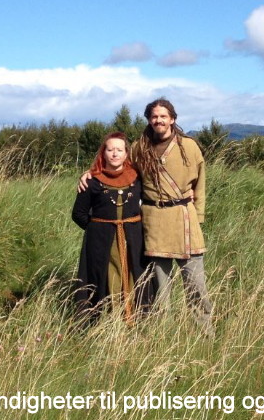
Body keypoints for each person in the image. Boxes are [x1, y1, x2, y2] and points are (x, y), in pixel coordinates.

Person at [78, 99, 213, 336]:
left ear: (172, 118)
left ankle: (206, 335)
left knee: (196, 286)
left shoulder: (189, 146)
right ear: (149, 119)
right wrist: (91, 174)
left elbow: (200, 184)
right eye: (154, 116)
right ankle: (161, 338)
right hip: (153, 224)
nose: (158, 120)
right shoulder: (140, 147)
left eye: (163, 116)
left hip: (185, 220)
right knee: (160, 290)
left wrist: (198, 216)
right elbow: (118, 168)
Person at [71, 132, 150, 326]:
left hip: (133, 240)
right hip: (102, 242)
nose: (115, 154)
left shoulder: (137, 178)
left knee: (134, 275)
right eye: (110, 149)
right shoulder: (92, 181)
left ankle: (134, 320)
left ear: (126, 154)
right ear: (103, 153)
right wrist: (97, 230)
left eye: (119, 150)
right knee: (106, 278)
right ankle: (109, 321)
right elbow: (78, 214)